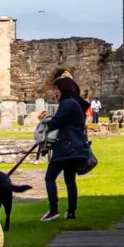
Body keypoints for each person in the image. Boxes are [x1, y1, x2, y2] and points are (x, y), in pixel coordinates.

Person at [41, 71, 92, 222]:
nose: (55, 92)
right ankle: (71, 212)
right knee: (70, 180)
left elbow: (56, 122)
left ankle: (53, 210)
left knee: (50, 177)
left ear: (64, 89)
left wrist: (44, 122)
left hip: (65, 147)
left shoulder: (67, 103)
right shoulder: (75, 103)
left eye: (57, 89)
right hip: (75, 147)